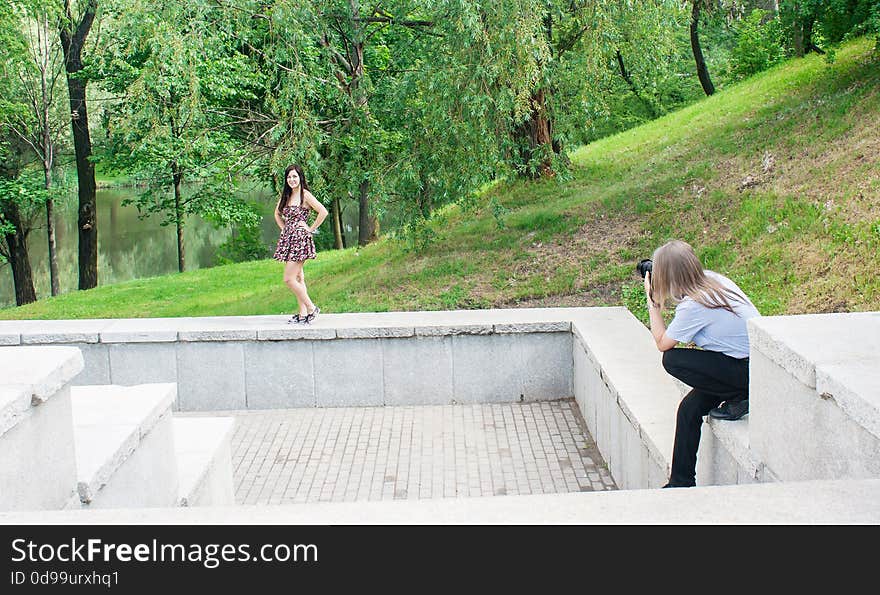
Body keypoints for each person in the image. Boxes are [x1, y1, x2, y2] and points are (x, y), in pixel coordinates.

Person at [643, 240, 760, 488]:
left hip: (746, 372)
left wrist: (652, 304)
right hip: (748, 366)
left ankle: (741, 394)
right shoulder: (711, 280)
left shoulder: (695, 305)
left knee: (672, 360)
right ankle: (680, 482)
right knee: (689, 409)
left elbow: (663, 343)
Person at [273, 164, 328, 324]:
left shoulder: (305, 195)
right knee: (298, 277)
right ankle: (303, 314)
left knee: (288, 279)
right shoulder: (286, 195)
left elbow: (323, 211)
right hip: (289, 239)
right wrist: (284, 228)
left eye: (294, 176)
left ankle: (312, 308)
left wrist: (310, 229)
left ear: (300, 178)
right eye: (289, 177)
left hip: (300, 240)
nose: (292, 180)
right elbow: (277, 214)